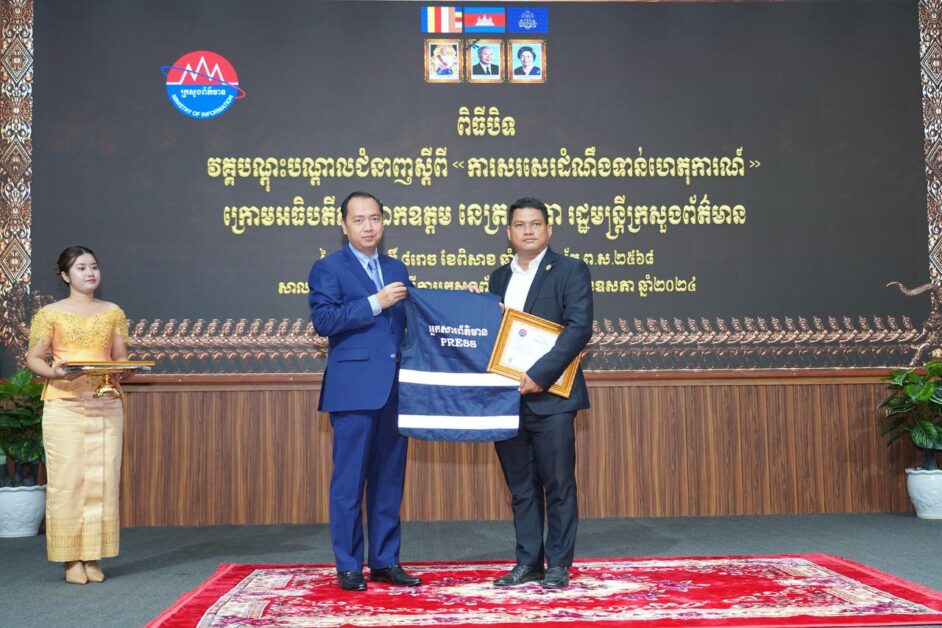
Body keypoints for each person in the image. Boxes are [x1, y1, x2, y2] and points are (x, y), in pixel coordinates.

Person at [307, 191, 422, 592]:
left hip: (394, 390)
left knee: (389, 479)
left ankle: (386, 561)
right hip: (353, 390)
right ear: (344, 225)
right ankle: (349, 565)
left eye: (374, 218)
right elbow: (324, 321)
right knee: (349, 482)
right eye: (359, 220)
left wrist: (463, 303)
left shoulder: (395, 267)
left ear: (383, 222)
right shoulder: (327, 268)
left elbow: (415, 316)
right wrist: (375, 302)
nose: (368, 226)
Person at [487, 198, 592, 589]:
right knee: (521, 487)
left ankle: (559, 564)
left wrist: (540, 375)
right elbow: (494, 334)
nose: (528, 231)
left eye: (535, 223)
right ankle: (528, 562)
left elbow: (579, 328)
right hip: (508, 399)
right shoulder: (499, 277)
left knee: (558, 484)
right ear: (508, 232)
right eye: (520, 224)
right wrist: (476, 308)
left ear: (548, 229)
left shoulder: (570, 270)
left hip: (552, 397)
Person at [25, 246, 129, 585]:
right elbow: (34, 358)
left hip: (106, 403)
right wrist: (56, 373)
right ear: (65, 276)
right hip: (64, 403)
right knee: (67, 481)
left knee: (103, 480)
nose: (90, 272)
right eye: (81, 267)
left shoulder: (113, 311)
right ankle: (71, 559)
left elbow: (120, 358)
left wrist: (124, 369)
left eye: (94, 266)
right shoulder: (50, 313)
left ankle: (92, 556)